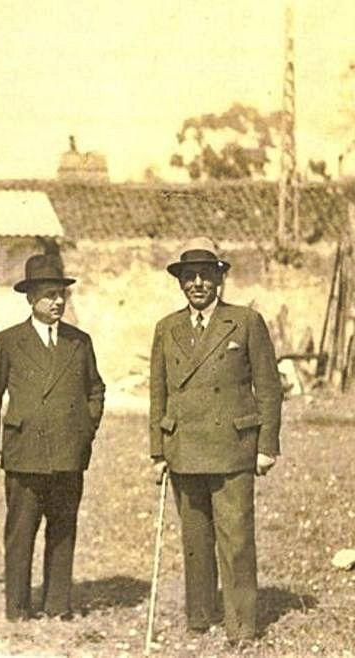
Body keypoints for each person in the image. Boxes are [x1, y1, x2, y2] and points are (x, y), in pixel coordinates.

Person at [149, 237, 283, 647]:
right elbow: (159, 393)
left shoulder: (244, 322)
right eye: (189, 277)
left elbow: (269, 387)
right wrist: (158, 450)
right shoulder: (167, 327)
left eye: (206, 275)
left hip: (232, 449)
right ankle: (201, 614)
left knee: (237, 538)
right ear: (181, 283)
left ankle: (242, 624)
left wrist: (266, 446)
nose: (198, 284)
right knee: (195, 539)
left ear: (219, 279)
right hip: (184, 448)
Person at [0, 252, 105, 622]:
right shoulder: (7, 341)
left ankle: (57, 603)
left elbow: (95, 389)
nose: (57, 302)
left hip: (68, 450)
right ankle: (18, 607)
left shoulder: (79, 342)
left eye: (61, 295)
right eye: (49, 295)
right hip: (24, 450)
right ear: (31, 299)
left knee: (63, 527)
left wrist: (85, 427)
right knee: (21, 531)